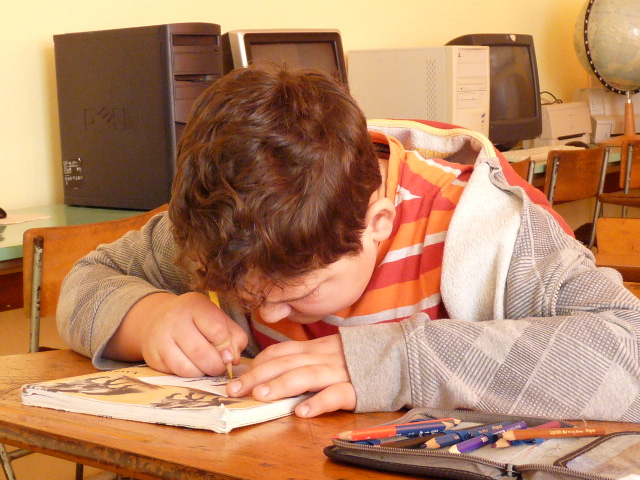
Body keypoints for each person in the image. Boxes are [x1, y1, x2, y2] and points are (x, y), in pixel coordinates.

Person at [57, 65, 640, 422]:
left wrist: (393, 362)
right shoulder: (241, 223)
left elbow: (628, 351)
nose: (267, 316)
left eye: (298, 293)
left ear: (377, 224)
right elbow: (87, 280)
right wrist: (148, 318)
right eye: (246, 297)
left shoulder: (490, 229)